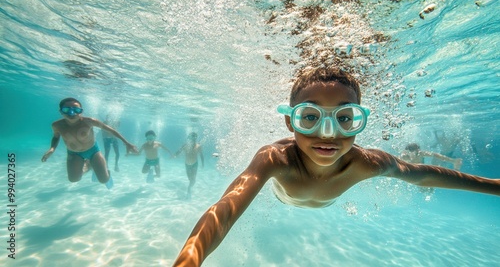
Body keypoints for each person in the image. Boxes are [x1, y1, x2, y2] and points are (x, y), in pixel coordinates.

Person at [173, 67, 500, 266]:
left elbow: (423, 174)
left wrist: (493, 186)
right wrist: (190, 260)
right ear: (290, 122)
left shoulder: (367, 163)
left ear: (360, 123)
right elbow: (226, 210)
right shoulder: (275, 160)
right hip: (283, 199)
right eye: (310, 117)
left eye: (345, 118)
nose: (327, 133)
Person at [41, 98, 138, 187]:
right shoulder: (57, 125)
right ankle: (88, 165)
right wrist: (52, 149)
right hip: (73, 153)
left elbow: (111, 130)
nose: (72, 113)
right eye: (67, 110)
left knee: (104, 180)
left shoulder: (90, 121)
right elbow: (56, 136)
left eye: (76, 110)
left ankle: (105, 172)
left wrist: (127, 143)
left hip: (93, 151)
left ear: (81, 111)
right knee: (74, 179)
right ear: (61, 111)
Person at [174, 132, 205, 198]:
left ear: (196, 138)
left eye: (195, 137)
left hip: (194, 164)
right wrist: (175, 155)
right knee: (189, 178)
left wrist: (202, 163)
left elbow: (201, 155)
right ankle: (190, 186)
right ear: (189, 138)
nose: (193, 138)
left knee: (192, 179)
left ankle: (189, 189)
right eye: (192, 136)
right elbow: (179, 151)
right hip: (187, 164)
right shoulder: (185, 145)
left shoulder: (198, 146)